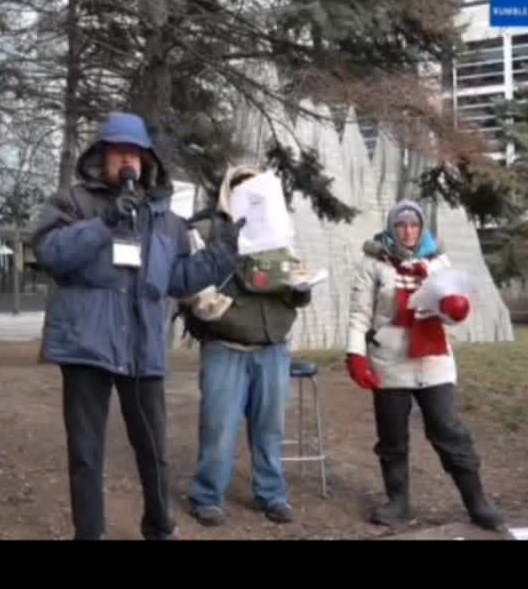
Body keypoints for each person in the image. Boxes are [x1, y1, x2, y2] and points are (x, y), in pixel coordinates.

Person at [30, 111, 241, 540]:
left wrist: (225, 255)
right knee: (87, 453)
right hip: (86, 346)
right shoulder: (72, 202)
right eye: (119, 152)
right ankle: (89, 533)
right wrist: (104, 224)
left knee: (153, 449)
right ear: (101, 157)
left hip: (142, 347)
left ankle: (159, 526)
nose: (128, 161)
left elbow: (177, 280)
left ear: (148, 161)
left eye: (136, 154)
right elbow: (50, 253)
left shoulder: (164, 218)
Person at [344, 199, 503, 530]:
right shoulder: (374, 263)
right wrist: (355, 354)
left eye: (413, 224)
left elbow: (450, 316)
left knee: (448, 430)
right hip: (390, 361)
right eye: (401, 225)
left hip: (434, 361)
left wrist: (456, 311)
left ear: (422, 228)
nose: (408, 230)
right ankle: (398, 502)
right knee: (392, 437)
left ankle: (477, 501)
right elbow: (360, 315)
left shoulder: (439, 262)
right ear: (392, 227)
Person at [182, 166, 312, 527]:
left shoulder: (280, 232)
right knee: (219, 427)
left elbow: (294, 283)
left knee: (270, 427)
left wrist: (301, 290)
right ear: (229, 193)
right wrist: (202, 302)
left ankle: (272, 494)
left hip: (272, 346)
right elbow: (188, 280)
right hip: (226, 345)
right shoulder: (208, 230)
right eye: (241, 189)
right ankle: (207, 496)